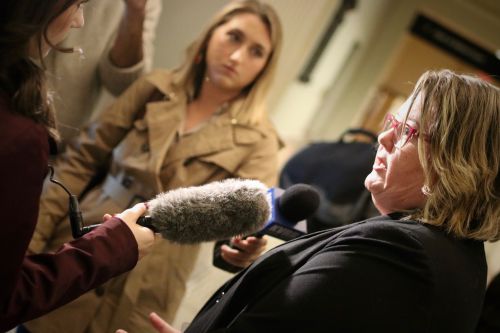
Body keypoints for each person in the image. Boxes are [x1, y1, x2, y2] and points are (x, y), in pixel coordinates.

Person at [120, 69, 500, 333]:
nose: (383, 140)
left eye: (409, 132)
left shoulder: (404, 255)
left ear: (458, 163)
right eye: (391, 124)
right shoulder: (447, 253)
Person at [25, 1, 283, 332]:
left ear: (265, 67)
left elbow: (249, 218)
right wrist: (32, 241)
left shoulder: (259, 138)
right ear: (210, 35)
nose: (237, 57)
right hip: (86, 238)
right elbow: (80, 161)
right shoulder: (154, 88)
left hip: (154, 274)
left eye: (256, 51)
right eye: (233, 37)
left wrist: (242, 250)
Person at [0, 1, 156, 331]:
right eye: (78, 4)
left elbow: (121, 77)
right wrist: (113, 246)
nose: (80, 21)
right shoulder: (19, 138)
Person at [46, 0, 162, 143]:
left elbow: (124, 86)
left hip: (59, 142)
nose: (79, 22)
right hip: (14, 113)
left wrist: (135, 12)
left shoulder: (148, 3)